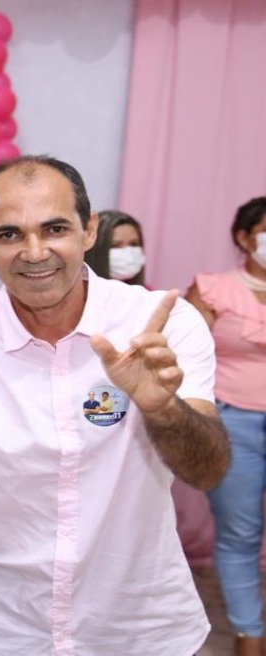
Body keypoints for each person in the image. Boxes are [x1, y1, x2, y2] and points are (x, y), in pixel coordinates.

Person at [0, 154, 231, 656]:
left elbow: (207, 472)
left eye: (54, 228)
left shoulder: (159, 323)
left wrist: (162, 409)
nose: (35, 252)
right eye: (10, 234)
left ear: (88, 230)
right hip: (4, 625)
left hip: (138, 627)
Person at [185, 196, 266, 656]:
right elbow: (186, 356)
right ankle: (249, 636)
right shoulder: (213, 289)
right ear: (244, 237)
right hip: (234, 423)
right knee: (240, 534)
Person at [83, 209, 147, 285]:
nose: (128, 252)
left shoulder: (148, 292)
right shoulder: (80, 291)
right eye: (115, 245)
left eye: (134, 244)